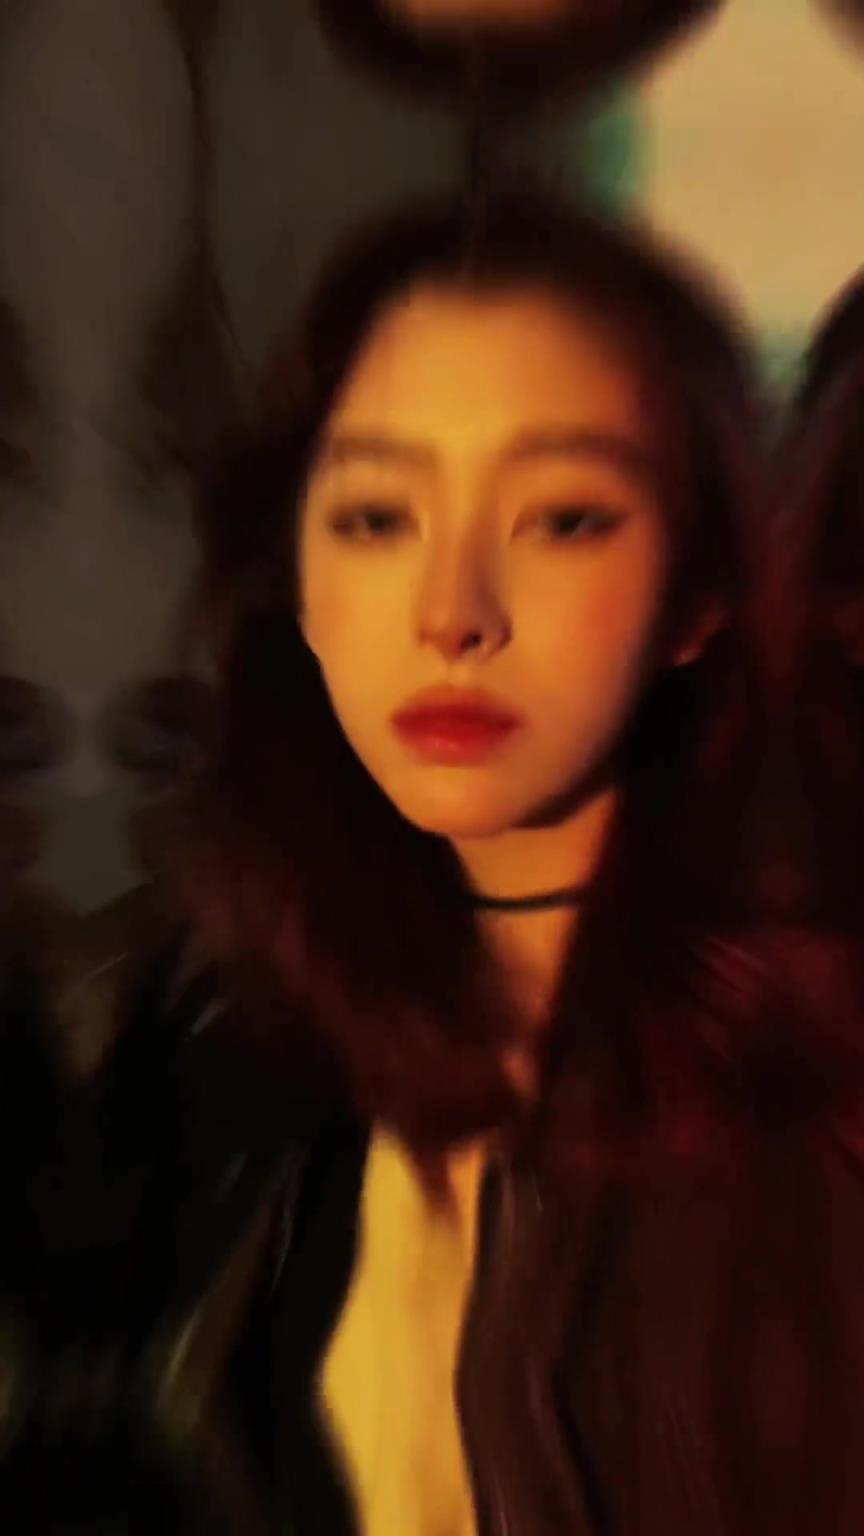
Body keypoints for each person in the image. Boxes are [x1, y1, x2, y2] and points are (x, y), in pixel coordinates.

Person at [37, 190, 863, 1535]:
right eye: (376, 518)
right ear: (296, 583)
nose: (451, 614)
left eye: (565, 519)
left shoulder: (801, 1080)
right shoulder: (239, 1055)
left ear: (699, 597)